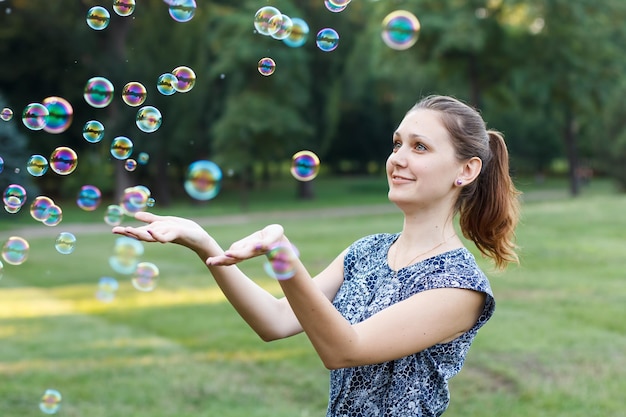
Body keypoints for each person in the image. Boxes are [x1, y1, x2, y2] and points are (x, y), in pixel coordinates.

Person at [112, 94, 520, 417]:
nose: (398, 158)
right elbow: (275, 320)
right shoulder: (366, 252)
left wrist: (283, 258)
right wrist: (203, 243)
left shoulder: (459, 286)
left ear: (465, 171)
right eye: (397, 144)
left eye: (420, 147)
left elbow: (345, 349)